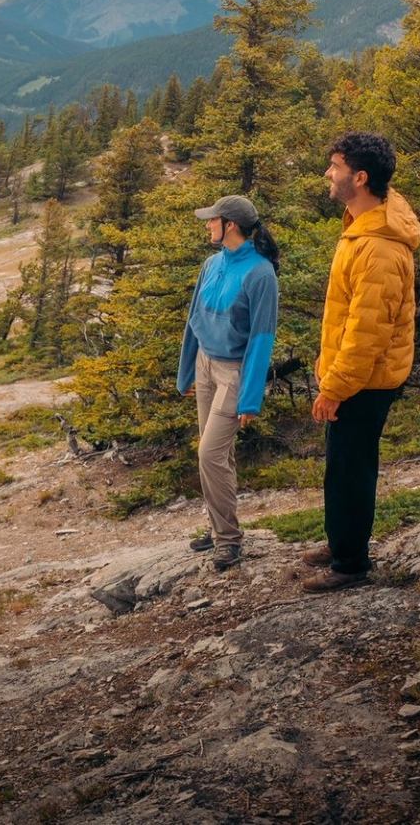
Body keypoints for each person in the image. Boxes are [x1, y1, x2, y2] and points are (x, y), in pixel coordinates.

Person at [301, 132, 420, 593]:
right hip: (355, 376)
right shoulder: (364, 221)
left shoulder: (380, 248)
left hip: (365, 380)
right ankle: (341, 542)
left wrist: (335, 387)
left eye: (335, 166)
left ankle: (350, 564)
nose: (329, 174)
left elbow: (367, 333)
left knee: (351, 467)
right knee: (342, 462)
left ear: (361, 177)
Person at [177, 194, 280, 571]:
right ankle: (220, 526)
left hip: (233, 373)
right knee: (217, 456)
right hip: (205, 365)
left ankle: (229, 540)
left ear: (230, 226)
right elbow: (194, 319)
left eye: (212, 220)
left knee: (209, 453)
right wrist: (186, 372)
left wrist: (250, 398)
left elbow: (261, 338)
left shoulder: (261, 273)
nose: (207, 225)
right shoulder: (211, 263)